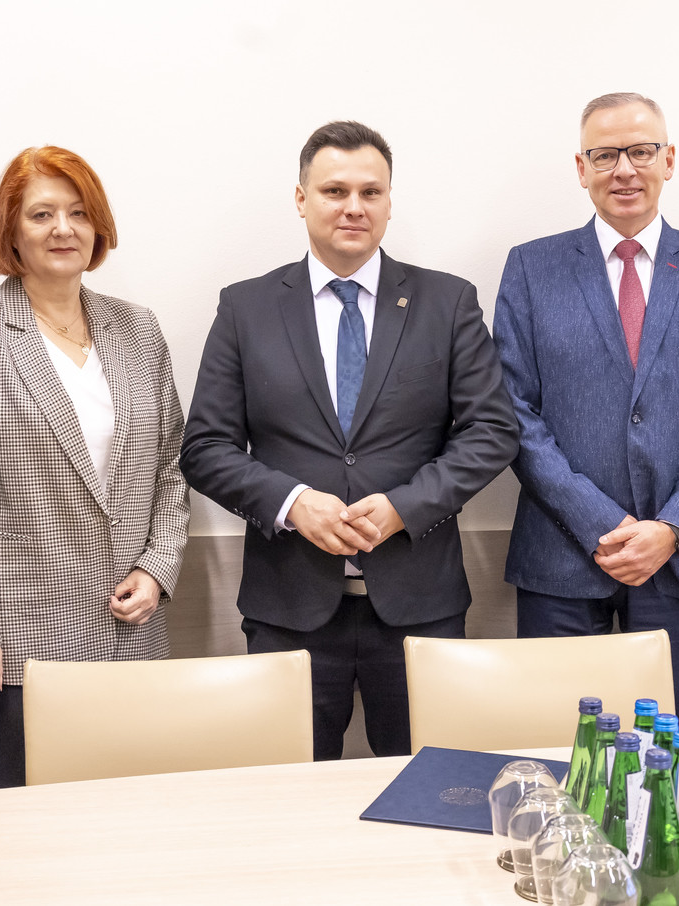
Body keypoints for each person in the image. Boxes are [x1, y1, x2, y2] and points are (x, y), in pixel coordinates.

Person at [180, 120, 518, 760]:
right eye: (334, 191)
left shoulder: (446, 302)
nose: (353, 207)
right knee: (287, 794)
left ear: (390, 202)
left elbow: (492, 431)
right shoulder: (246, 308)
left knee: (425, 787)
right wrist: (293, 504)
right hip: (288, 608)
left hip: (420, 606)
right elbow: (205, 448)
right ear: (301, 198)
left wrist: (403, 508)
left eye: (370, 192)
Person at [493, 92, 679, 734]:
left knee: (671, 760)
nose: (624, 170)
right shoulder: (531, 268)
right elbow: (513, 414)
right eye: (605, 154)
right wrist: (601, 523)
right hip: (560, 558)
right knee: (562, 754)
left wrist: (672, 528)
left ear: (669, 160)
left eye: (641, 151)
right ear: (580, 168)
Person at [0, 145, 189, 789]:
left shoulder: (138, 329)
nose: (63, 229)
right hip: (19, 641)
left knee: (128, 820)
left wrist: (157, 568)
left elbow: (171, 466)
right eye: (42, 214)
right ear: (11, 230)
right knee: (31, 827)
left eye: (79, 213)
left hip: (132, 629)